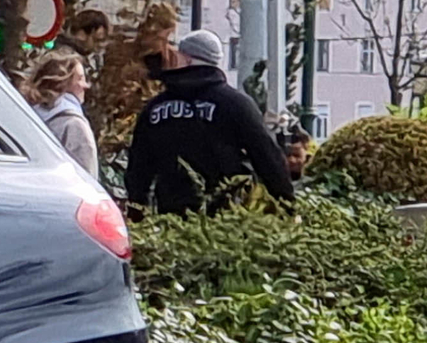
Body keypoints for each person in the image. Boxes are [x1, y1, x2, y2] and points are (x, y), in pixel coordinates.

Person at [123, 28, 298, 214]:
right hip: (226, 216)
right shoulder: (236, 104)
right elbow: (267, 157)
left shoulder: (155, 108)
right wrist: (287, 205)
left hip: (171, 215)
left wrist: (137, 210)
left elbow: (138, 167)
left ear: (186, 59)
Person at [21, 50, 99, 174]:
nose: (86, 86)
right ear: (63, 83)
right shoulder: (74, 125)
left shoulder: (26, 115)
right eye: (80, 79)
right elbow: (87, 178)